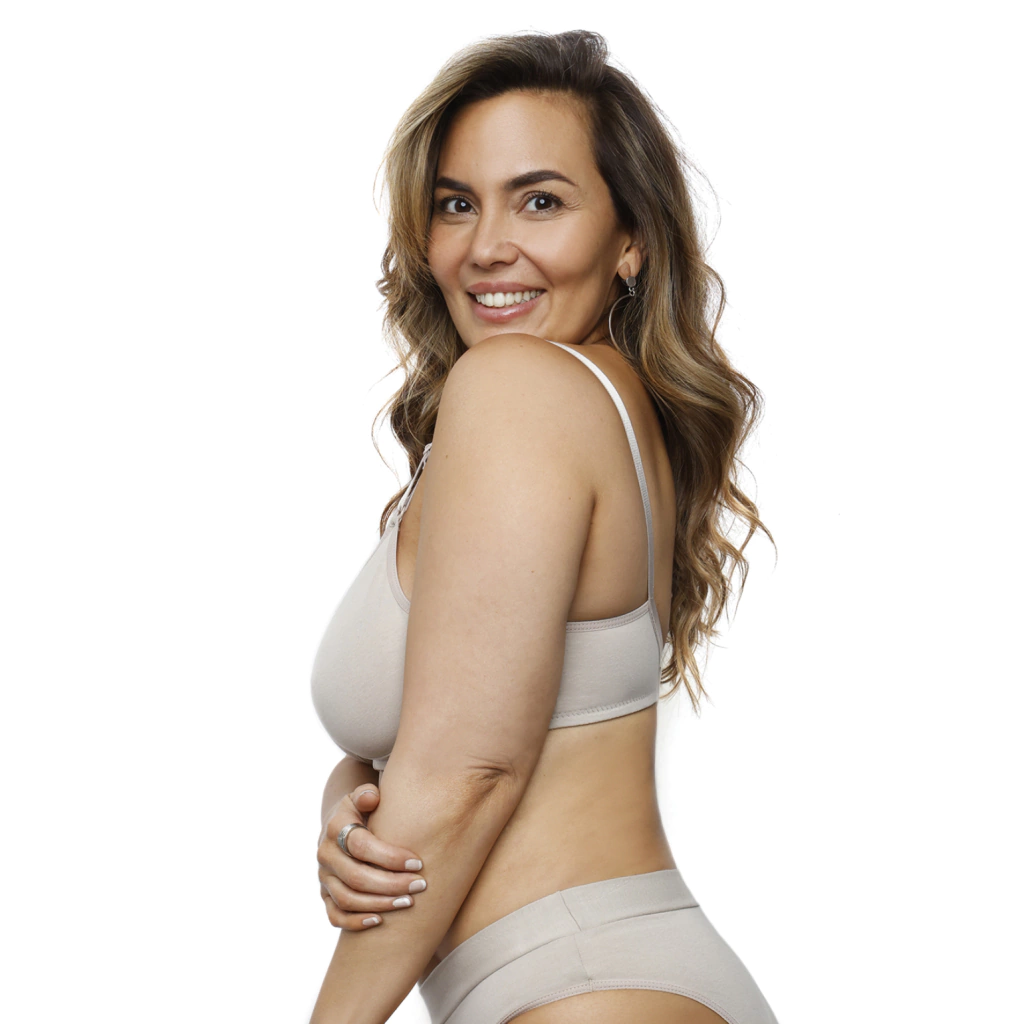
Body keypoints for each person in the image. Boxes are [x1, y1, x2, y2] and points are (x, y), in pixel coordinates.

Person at [309, 29, 777, 1024]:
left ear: (629, 238)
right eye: (456, 203)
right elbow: (464, 735)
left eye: (540, 201)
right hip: (595, 968)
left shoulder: (518, 388)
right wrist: (355, 797)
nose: (486, 246)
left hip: (582, 980)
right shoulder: (591, 400)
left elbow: (474, 771)